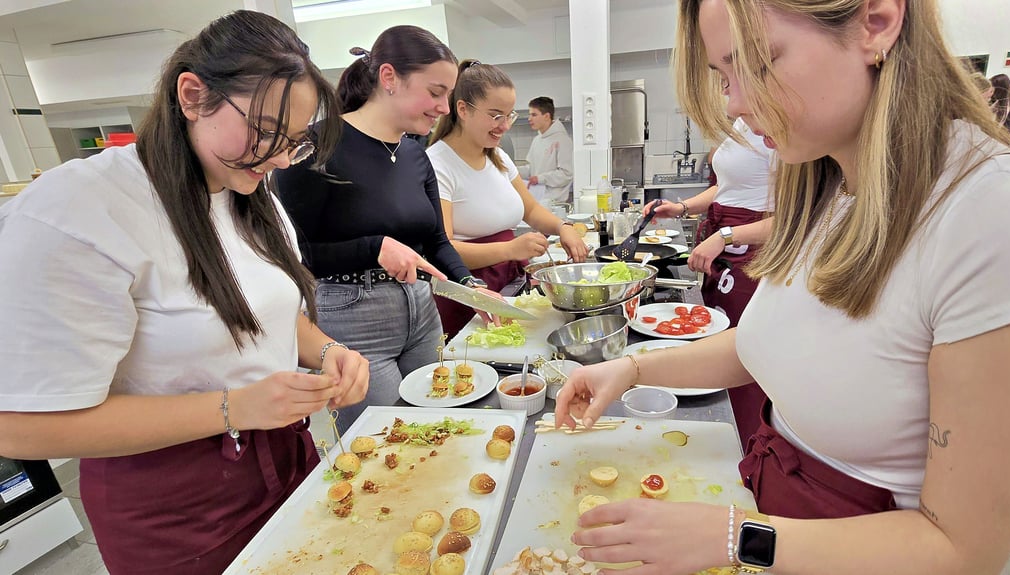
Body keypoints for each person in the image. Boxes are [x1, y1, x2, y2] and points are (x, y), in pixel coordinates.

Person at [556, 1, 1010, 574]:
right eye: (723, 78)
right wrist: (631, 368)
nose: (734, 105)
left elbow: (963, 551)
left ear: (876, 21)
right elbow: (765, 344)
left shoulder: (990, 210)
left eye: (756, 64)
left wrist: (737, 537)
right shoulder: (830, 180)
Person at [0, 11, 370, 574]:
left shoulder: (249, 188)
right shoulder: (77, 211)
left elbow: (264, 313)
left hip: (285, 458)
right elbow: (21, 422)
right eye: (267, 133)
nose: (276, 160)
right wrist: (234, 406)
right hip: (172, 503)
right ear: (193, 96)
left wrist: (327, 351)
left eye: (293, 143)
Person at [274, 26, 499, 424]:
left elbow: (436, 240)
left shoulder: (415, 154)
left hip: (422, 312)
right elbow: (295, 256)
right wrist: (373, 247)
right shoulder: (315, 147)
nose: (444, 108)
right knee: (385, 440)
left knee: (440, 424)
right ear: (389, 78)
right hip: (351, 320)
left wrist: (471, 287)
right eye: (434, 92)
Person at [426, 62, 589, 336]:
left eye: (509, 116)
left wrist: (563, 228)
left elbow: (532, 209)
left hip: (507, 284)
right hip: (469, 296)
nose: (504, 126)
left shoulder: (497, 157)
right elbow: (443, 249)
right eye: (495, 116)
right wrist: (511, 250)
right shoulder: (438, 164)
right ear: (463, 109)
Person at [642, 116, 774, 449]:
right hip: (730, 245)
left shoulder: (776, 126)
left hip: (754, 252)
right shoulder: (743, 124)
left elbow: (801, 217)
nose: (727, 97)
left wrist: (727, 235)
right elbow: (728, 187)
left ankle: (749, 446)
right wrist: (682, 207)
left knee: (747, 353)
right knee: (722, 341)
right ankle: (726, 440)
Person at [525, 96, 574, 204]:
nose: (529, 118)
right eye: (529, 114)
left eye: (534, 115)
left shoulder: (563, 140)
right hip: (538, 200)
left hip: (555, 203)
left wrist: (540, 178)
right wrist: (512, 170)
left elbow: (566, 174)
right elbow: (531, 169)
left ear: (546, 116)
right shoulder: (537, 140)